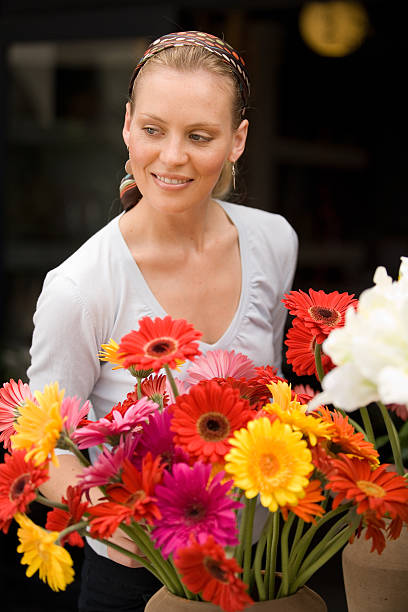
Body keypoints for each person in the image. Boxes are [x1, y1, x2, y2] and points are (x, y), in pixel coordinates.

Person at [28, 31, 298, 612]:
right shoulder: (79, 287)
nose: (172, 157)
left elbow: (273, 393)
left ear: (238, 141)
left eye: (199, 136)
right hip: (137, 580)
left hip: (264, 571)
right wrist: (133, 527)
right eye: (153, 130)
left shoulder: (274, 242)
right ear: (127, 126)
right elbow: (41, 448)